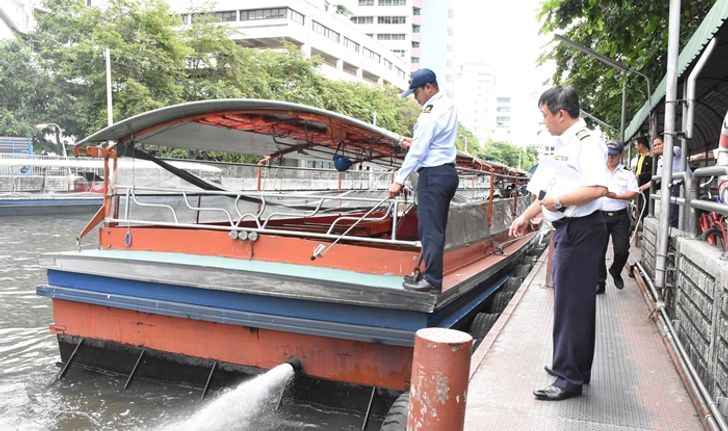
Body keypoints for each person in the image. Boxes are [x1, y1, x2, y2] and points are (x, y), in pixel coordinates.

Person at [509, 86, 607, 401]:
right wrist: (526, 215)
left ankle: (570, 379)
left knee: (574, 305)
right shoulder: (561, 144)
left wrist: (558, 200)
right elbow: (546, 190)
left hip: (581, 230)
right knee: (567, 302)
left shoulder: (587, 143)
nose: (544, 121)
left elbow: (597, 189)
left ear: (560, 114)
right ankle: (568, 364)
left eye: (545, 115)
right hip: (567, 228)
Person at [388, 68, 459, 293]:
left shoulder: (431, 112)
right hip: (446, 172)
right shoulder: (447, 105)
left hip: (434, 175)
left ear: (428, 87)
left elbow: (419, 151)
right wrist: (416, 140)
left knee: (430, 230)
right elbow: (432, 142)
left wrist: (398, 180)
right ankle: (430, 276)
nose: (416, 99)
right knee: (435, 228)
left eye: (416, 93)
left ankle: (432, 280)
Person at [597, 142, 638, 294]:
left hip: (620, 216)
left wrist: (617, 196)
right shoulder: (598, 171)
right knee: (598, 252)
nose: (610, 157)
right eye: (608, 154)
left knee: (622, 250)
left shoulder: (627, 174)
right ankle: (600, 282)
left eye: (614, 154)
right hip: (600, 216)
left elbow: (634, 192)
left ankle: (615, 270)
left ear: (620, 155)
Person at [647, 135, 686, 228]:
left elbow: (671, 152)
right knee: (670, 214)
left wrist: (654, 152)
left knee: (674, 215)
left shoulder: (675, 149)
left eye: (659, 144)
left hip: (683, 185)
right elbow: (657, 179)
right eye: (655, 145)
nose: (657, 147)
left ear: (665, 142)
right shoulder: (660, 160)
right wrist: (641, 188)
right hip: (672, 187)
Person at [632, 136, 653, 224]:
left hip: (647, 186)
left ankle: (644, 227)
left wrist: (640, 176)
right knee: (637, 208)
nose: (635, 147)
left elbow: (652, 173)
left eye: (636, 145)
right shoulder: (640, 156)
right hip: (639, 185)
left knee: (644, 208)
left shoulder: (651, 156)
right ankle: (640, 227)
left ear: (641, 145)